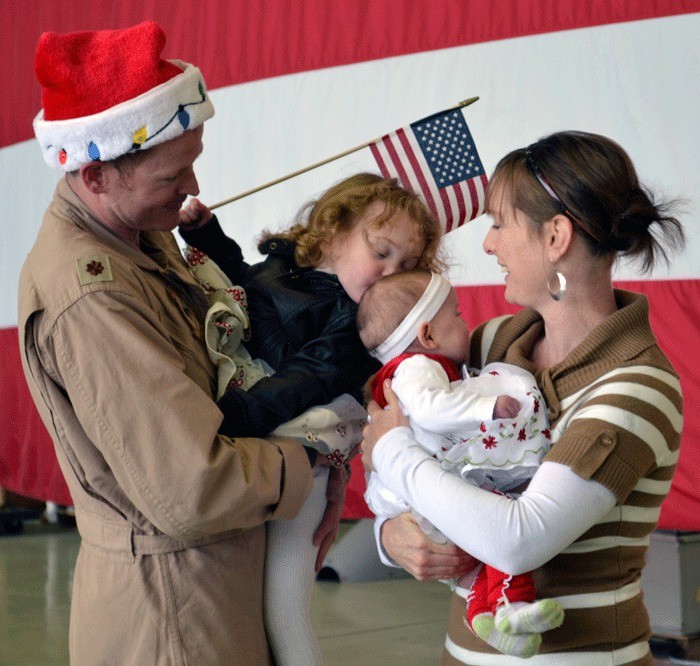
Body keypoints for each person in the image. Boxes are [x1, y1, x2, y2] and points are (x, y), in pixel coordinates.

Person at [18, 22, 341, 665]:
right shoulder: (94, 297)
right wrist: (313, 462)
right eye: (172, 175)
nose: (193, 187)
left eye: (193, 161)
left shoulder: (141, 233)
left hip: (212, 584)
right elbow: (193, 490)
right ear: (97, 174)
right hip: (174, 615)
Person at [361, 130, 685, 664]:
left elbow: (519, 541)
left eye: (499, 224)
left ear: (556, 236)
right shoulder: (489, 345)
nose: (489, 245)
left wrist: (396, 455)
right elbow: (389, 435)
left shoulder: (637, 386)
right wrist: (388, 534)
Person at [177, 174, 443, 665]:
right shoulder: (283, 269)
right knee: (244, 609)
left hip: (302, 474)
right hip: (261, 456)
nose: (391, 272)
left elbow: (302, 378)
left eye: (406, 265)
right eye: (381, 251)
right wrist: (206, 236)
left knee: (283, 609)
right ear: (331, 232)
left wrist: (227, 418)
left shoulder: (353, 326)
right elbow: (244, 286)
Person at [357, 269, 562, 658]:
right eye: (457, 314)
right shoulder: (418, 368)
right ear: (427, 335)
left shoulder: (415, 369)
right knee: (497, 514)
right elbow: (433, 411)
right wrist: (488, 406)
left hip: (408, 494)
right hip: (414, 495)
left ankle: (487, 613)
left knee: (485, 547)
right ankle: (511, 604)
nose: (466, 322)